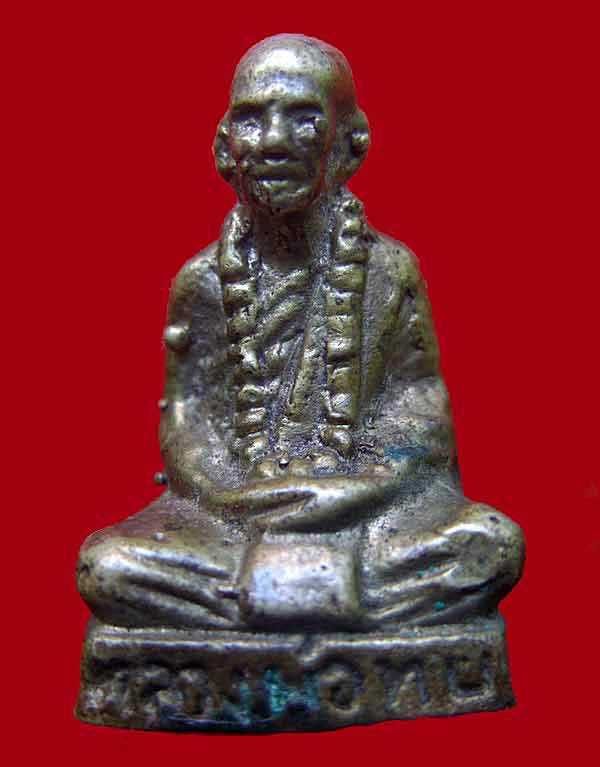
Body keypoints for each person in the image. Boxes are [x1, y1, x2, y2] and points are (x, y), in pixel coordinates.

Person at [77, 34, 524, 633]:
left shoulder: (389, 272)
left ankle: (265, 608)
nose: (275, 141)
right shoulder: (203, 282)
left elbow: (418, 414)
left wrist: (354, 493)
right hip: (235, 515)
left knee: (491, 544)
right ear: (224, 147)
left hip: (360, 509)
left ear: (349, 144)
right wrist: (229, 497)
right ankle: (328, 608)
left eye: (304, 119)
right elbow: (188, 421)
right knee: (108, 567)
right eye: (252, 120)